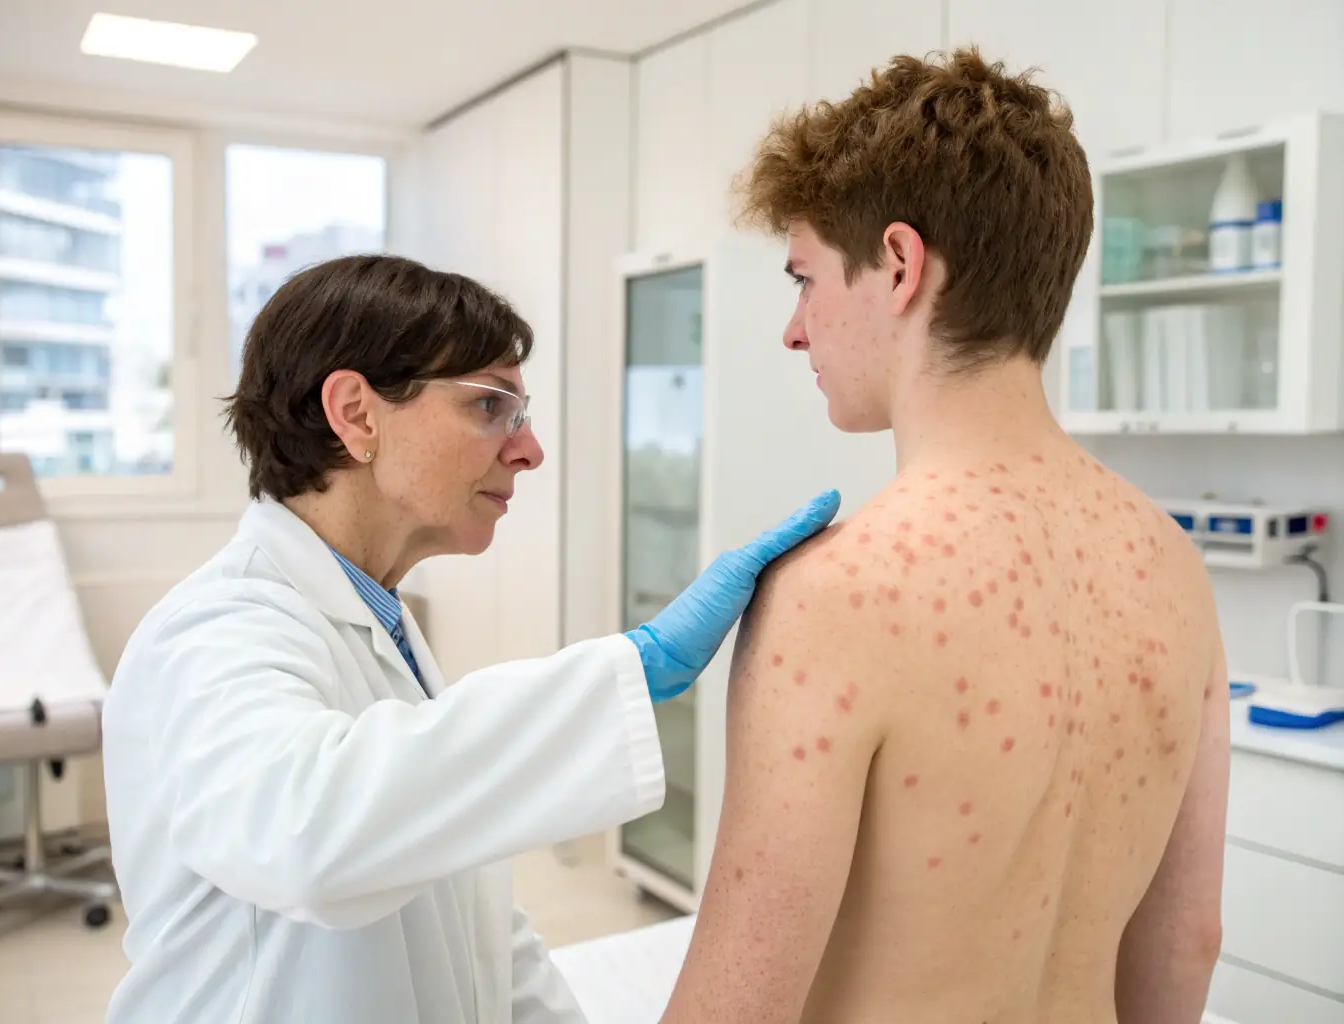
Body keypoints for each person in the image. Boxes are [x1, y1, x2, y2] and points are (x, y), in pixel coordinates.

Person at [99, 254, 840, 1024]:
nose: (528, 450)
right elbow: (307, 836)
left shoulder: (381, 625)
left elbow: (476, 926)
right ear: (356, 415)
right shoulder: (215, 633)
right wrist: (634, 665)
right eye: (490, 407)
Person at [660, 48, 1229, 1024]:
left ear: (898, 263)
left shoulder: (832, 598)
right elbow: (1187, 939)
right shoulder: (1173, 565)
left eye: (804, 278)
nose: (795, 330)